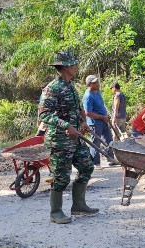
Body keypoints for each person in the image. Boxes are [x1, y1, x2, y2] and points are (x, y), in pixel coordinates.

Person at [38, 52, 99, 224]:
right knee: (61, 176)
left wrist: (83, 122)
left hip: (75, 137)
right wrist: (66, 126)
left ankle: (78, 205)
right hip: (60, 139)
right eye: (73, 65)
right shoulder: (52, 88)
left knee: (87, 167)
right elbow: (44, 115)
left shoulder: (71, 85)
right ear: (64, 67)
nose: (76, 67)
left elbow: (78, 107)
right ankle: (55, 212)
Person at [82, 75, 119, 167]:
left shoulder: (97, 92)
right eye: (95, 83)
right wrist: (102, 117)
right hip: (95, 123)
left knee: (109, 140)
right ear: (90, 84)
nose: (97, 84)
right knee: (96, 143)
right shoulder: (88, 96)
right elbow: (87, 113)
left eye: (97, 82)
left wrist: (105, 116)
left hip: (104, 121)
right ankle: (95, 162)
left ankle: (110, 159)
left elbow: (101, 106)